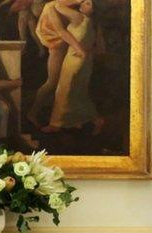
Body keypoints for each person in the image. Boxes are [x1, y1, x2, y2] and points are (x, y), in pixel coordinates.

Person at [42, 0, 103, 134]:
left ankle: (55, 124)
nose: (82, 4)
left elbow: (57, 5)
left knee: (63, 91)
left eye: (87, 3)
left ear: (93, 10)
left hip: (74, 59)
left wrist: (76, 1)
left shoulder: (79, 17)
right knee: (78, 92)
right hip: (87, 61)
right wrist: (85, 51)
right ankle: (92, 120)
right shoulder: (95, 24)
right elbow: (100, 49)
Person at [26, 0, 85, 126]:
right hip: (58, 47)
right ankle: (33, 113)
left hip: (71, 48)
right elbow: (61, 31)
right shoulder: (51, 7)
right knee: (52, 82)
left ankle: (69, 117)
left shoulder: (79, 5)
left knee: (71, 82)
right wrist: (78, 48)